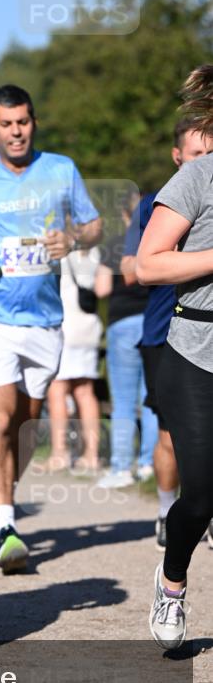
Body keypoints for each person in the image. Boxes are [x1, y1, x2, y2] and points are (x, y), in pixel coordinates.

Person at [0, 84, 102, 573]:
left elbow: (94, 225)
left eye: (24, 122)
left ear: (33, 123)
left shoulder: (61, 169)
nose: (16, 132)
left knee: (25, 425)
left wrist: (71, 237)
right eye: (6, 124)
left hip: (45, 319)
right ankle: (7, 524)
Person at [137, 124, 213, 650]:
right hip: (195, 351)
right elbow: (148, 264)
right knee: (203, 494)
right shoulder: (198, 177)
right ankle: (172, 582)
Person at [121, 119, 212, 548]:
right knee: (169, 439)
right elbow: (135, 266)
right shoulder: (170, 196)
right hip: (173, 334)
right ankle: (165, 511)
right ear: (179, 156)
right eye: (193, 152)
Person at [96, 195, 159, 488]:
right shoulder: (162, 239)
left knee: (122, 400)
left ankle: (121, 467)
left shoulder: (115, 243)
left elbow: (101, 289)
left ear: (124, 215)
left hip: (122, 322)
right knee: (150, 399)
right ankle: (149, 463)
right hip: (154, 321)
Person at [45, 248, 105, 473]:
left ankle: (60, 453)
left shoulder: (59, 253)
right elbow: (102, 289)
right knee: (85, 391)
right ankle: (91, 454)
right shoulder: (97, 253)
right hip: (89, 328)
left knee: (57, 391)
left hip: (66, 327)